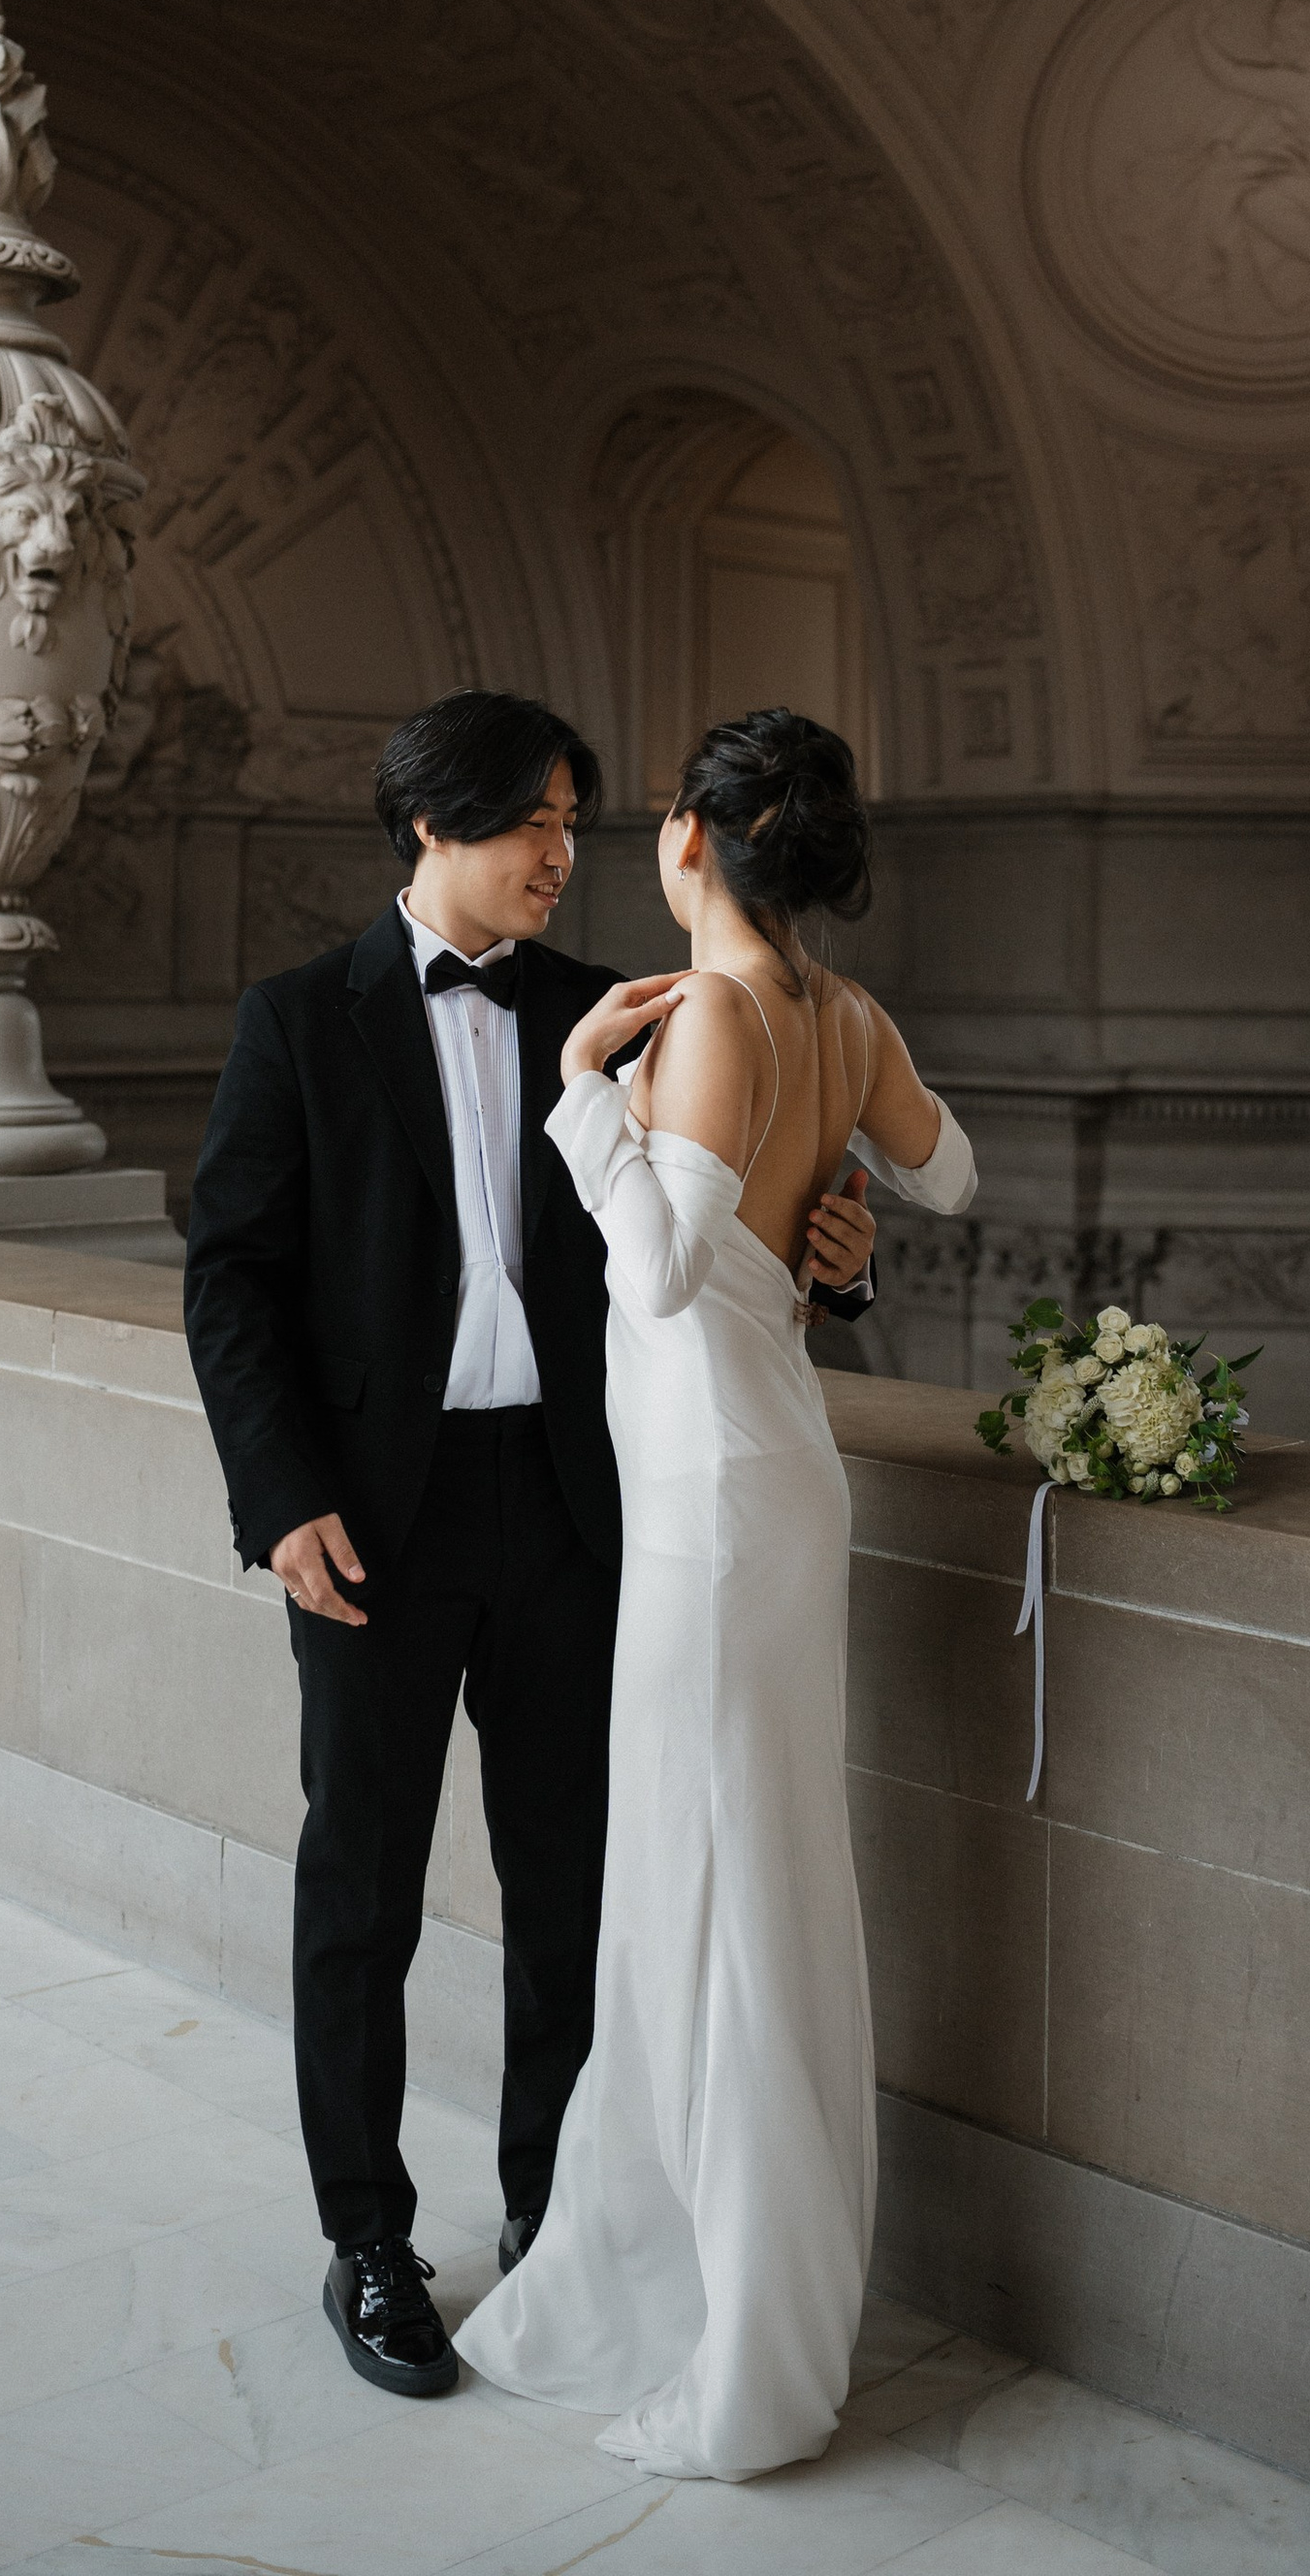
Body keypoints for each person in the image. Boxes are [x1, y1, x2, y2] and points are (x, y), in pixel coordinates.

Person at [181, 691, 879, 2400]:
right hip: (371, 1527)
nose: (565, 860)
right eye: (530, 829)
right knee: (364, 1887)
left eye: (577, 825)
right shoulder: (298, 1022)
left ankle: (555, 2214)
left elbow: (721, 1246)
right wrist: (282, 1504)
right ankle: (368, 2242)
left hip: (586, 1515)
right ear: (429, 827)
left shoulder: (629, 1015)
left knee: (576, 1888)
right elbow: (233, 1283)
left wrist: (842, 1262)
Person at [453, 706, 979, 2479]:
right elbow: (951, 1166)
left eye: (662, 816)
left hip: (710, 1507)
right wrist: (846, 1204)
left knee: (712, 1882)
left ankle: (740, 2334)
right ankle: (732, 2279)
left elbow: (665, 1274)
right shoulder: (847, 1016)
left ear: (696, 837)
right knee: (742, 1870)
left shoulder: (712, 1020)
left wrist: (572, 1093)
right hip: (777, 1484)